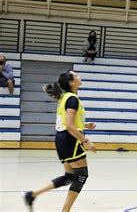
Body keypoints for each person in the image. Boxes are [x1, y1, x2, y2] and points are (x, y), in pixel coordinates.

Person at [24, 70, 97, 211]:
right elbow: (69, 126)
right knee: (82, 175)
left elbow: (65, 121)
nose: (79, 76)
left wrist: (85, 125)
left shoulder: (65, 97)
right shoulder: (72, 99)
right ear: (71, 82)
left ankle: (32, 195)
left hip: (61, 138)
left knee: (69, 176)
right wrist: (86, 141)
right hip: (69, 139)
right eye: (76, 76)